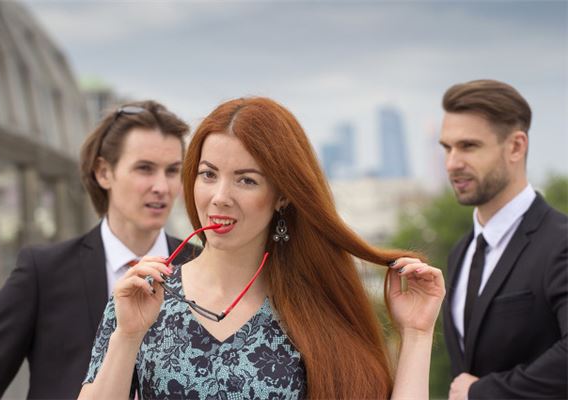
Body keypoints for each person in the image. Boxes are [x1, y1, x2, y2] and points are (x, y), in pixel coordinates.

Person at [79, 96, 445, 399]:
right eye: (209, 174)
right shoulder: (143, 296)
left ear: (283, 195)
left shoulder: (316, 304)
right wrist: (127, 336)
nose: (220, 197)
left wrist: (417, 334)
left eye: (247, 180)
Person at [0, 100, 199, 399]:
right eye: (145, 168)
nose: (162, 187)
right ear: (103, 172)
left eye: (172, 171)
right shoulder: (43, 272)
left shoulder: (202, 265)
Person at [439, 79, 568, 399]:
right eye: (447, 148)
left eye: (468, 146)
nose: (452, 163)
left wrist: (482, 392)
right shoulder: (460, 253)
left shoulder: (561, 243)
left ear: (516, 146)